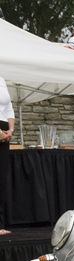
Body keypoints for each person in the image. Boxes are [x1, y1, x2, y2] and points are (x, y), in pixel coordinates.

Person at [0, 75, 15, 235]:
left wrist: (10, 130)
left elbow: (8, 108)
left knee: (1, 178)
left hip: (4, 133)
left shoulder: (2, 80)